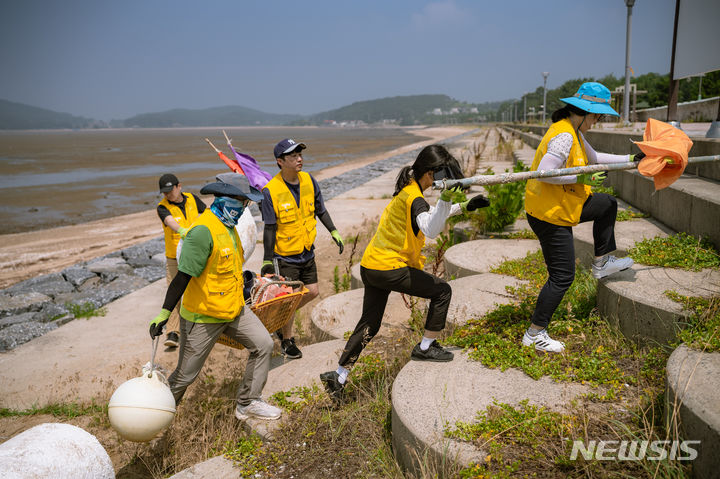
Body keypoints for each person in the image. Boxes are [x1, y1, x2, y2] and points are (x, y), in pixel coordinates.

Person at [319, 144, 489, 401]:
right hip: (389, 267)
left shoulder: (409, 191)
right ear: (430, 174)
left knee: (370, 323)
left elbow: (430, 217)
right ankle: (426, 346)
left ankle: (339, 375)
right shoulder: (415, 197)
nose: (443, 181)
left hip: (372, 266)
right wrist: (446, 198)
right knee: (442, 291)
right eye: (441, 175)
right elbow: (430, 229)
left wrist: (464, 205)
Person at [149, 173, 281, 421]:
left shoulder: (229, 227)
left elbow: (230, 268)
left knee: (264, 344)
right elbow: (182, 278)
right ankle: (155, 416)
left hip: (233, 309)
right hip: (203, 315)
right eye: (243, 202)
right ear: (228, 200)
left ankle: (248, 402)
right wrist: (164, 314)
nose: (244, 208)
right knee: (185, 375)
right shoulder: (203, 231)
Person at [523, 82, 643, 353]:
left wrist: (632, 159)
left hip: (563, 204)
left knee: (605, 204)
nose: (598, 121)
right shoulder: (564, 135)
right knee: (563, 276)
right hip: (549, 213)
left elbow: (596, 156)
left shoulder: (574, 131)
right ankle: (535, 332)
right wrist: (584, 177)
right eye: (598, 116)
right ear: (587, 112)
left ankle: (602, 262)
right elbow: (545, 173)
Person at [260, 138, 344, 359]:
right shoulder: (271, 191)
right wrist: (267, 259)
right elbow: (269, 228)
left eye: (300, 155)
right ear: (280, 161)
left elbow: (320, 210)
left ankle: (279, 320)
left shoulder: (309, 180)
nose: (299, 159)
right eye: (293, 156)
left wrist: (333, 231)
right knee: (291, 298)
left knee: (312, 292)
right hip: (284, 255)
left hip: (306, 250)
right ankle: (287, 341)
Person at [156, 173, 206, 348]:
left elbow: (206, 213)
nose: (168, 195)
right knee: (175, 293)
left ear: (179, 186)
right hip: (174, 257)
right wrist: (183, 231)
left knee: (200, 289)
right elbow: (171, 223)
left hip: (196, 253)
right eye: (165, 192)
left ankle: (203, 326)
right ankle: (173, 332)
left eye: (171, 190)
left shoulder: (192, 198)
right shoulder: (162, 207)